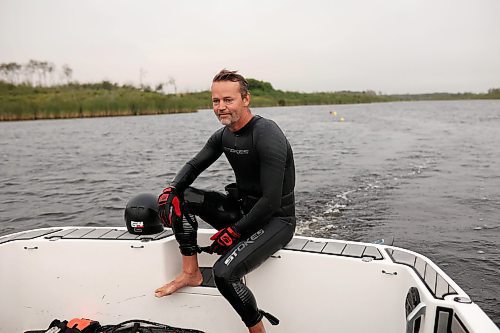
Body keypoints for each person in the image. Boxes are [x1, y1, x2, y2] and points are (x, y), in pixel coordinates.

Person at [155, 69, 296, 333]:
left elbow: (272, 200)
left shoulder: (267, 134)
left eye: (228, 100)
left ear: (246, 99)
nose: (221, 107)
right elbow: (195, 164)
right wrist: (172, 188)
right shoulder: (224, 135)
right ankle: (190, 273)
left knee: (223, 274)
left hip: (276, 219)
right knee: (181, 196)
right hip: (244, 212)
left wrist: (234, 231)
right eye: (215, 101)